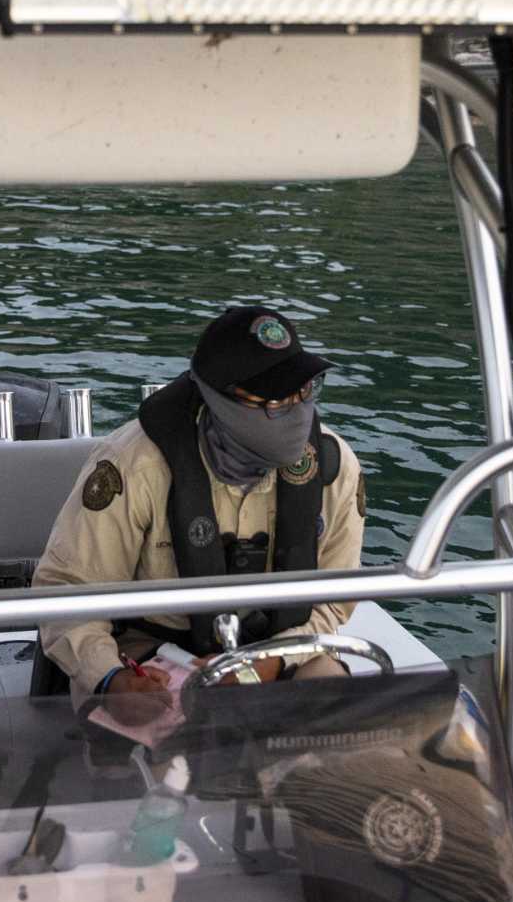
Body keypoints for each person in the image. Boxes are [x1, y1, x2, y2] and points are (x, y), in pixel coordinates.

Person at [31, 305, 369, 714]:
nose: (295, 411)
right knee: (152, 744)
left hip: (284, 647)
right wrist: (110, 678)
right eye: (274, 400)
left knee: (337, 722)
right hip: (157, 648)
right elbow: (67, 588)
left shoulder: (333, 468)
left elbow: (333, 601)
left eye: (303, 392)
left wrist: (269, 661)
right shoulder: (134, 465)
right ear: (218, 399)